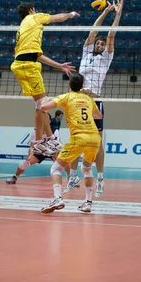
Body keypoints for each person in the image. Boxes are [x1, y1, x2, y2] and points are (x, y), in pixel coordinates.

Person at [65, 0, 123, 197]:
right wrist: (106, 12)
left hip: (94, 101)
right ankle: (72, 176)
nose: (99, 44)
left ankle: (100, 179)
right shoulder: (86, 52)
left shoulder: (107, 57)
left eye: (101, 43)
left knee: (97, 143)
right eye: (97, 42)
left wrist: (117, 15)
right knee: (75, 140)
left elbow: (111, 34)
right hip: (77, 100)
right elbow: (93, 30)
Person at [10, 2, 78, 156]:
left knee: (40, 104)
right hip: (28, 66)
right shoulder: (34, 18)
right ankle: (44, 141)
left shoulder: (24, 27)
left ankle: (44, 140)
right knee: (44, 104)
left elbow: (37, 55)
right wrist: (71, 14)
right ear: (31, 10)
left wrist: (59, 66)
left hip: (22, 64)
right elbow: (58, 18)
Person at [39, 74, 102, 214]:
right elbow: (99, 116)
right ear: (82, 85)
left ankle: (58, 198)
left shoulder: (66, 97)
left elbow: (43, 107)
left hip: (79, 138)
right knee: (86, 168)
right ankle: (88, 203)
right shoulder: (88, 98)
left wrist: (46, 99)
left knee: (56, 169)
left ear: (69, 85)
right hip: (94, 138)